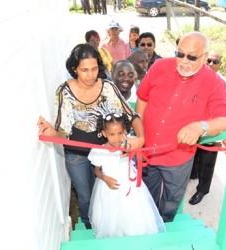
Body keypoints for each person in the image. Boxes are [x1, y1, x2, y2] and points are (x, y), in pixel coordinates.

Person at [37, 44, 145, 229]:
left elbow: (131, 115)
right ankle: (90, 226)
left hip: (107, 153)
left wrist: (140, 138)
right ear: (74, 69)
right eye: (84, 70)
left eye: (94, 69)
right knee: (85, 194)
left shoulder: (108, 87)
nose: (90, 75)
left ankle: (106, 224)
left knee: (107, 190)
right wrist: (51, 132)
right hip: (76, 155)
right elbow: (62, 131)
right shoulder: (65, 92)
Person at [136, 32, 226, 222]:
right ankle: (147, 222)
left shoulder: (214, 83)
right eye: (179, 54)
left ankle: (165, 225)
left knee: (172, 199)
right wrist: (139, 135)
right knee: (146, 192)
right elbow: (143, 98)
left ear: (205, 57)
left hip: (178, 158)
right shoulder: (159, 66)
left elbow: (225, 120)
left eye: (191, 57)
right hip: (146, 150)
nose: (183, 61)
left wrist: (200, 127)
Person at [88, 113, 165, 238]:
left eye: (120, 133)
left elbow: (142, 158)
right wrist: (104, 178)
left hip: (130, 184)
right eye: (111, 134)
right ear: (104, 133)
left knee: (133, 211)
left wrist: (132, 153)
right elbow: (96, 170)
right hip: (110, 186)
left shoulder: (128, 144)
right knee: (112, 214)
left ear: (125, 131)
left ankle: (133, 233)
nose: (117, 138)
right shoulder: (98, 150)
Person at [189, 49, 226, 205]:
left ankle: (202, 190)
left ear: (219, 65)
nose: (211, 64)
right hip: (194, 127)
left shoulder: (222, 83)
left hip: (211, 130)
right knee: (194, 155)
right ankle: (193, 175)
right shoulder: (195, 76)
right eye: (208, 60)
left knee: (208, 161)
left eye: (215, 62)